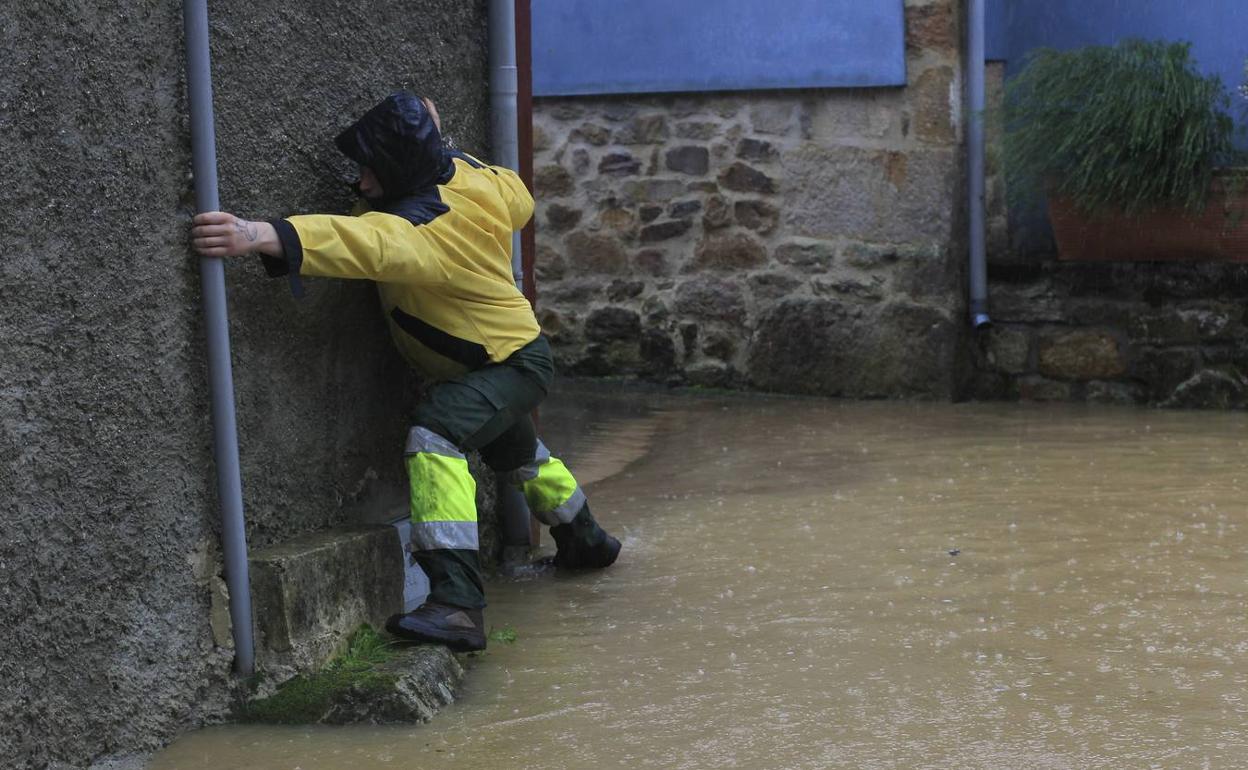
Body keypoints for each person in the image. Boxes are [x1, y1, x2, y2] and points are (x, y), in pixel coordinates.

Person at [190, 92, 621, 652]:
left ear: (398, 168)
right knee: (520, 456)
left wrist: (257, 235)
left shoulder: (419, 231)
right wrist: (432, 133)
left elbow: (359, 241)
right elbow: (516, 193)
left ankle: (458, 606)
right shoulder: (470, 177)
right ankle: (588, 542)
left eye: (371, 170)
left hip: (503, 363)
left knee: (435, 432)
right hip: (511, 356)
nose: (362, 184)